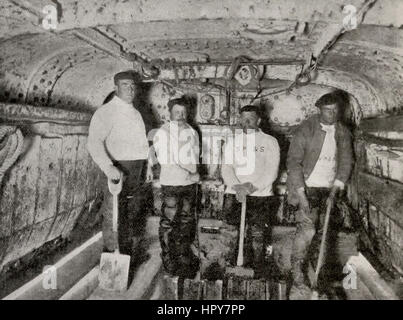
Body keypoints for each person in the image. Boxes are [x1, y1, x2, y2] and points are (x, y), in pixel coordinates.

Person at [286, 92, 353, 299]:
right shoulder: (306, 129)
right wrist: (302, 196)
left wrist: (335, 190)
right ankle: (297, 278)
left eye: (335, 110)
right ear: (319, 110)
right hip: (307, 188)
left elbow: (345, 162)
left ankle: (318, 280)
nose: (332, 114)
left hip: (328, 189)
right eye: (327, 110)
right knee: (307, 232)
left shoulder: (342, 131)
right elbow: (293, 163)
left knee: (324, 235)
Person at [87, 71, 149, 256]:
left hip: (136, 169)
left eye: (132, 85)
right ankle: (111, 253)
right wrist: (108, 167)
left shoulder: (136, 113)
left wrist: (147, 166)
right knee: (113, 213)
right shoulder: (106, 112)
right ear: (115, 87)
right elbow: (93, 142)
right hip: (118, 169)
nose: (130, 89)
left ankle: (127, 254)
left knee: (131, 213)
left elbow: (141, 144)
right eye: (125, 85)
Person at [221, 105, 280, 276]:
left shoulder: (269, 141)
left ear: (259, 120)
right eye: (243, 118)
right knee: (231, 234)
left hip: (260, 195)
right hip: (235, 194)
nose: (246, 122)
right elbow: (227, 168)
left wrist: (252, 187)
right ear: (239, 119)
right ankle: (229, 270)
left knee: (258, 235)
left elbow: (272, 171)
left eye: (251, 119)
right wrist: (236, 186)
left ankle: (257, 272)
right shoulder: (233, 141)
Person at [152, 97, 200, 276]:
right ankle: (169, 261)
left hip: (189, 185)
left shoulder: (191, 131)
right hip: (172, 184)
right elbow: (167, 161)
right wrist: (191, 174)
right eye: (177, 112)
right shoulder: (163, 133)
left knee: (186, 221)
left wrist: (194, 175)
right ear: (169, 113)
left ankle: (183, 258)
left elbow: (195, 156)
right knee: (169, 223)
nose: (180, 116)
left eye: (184, 112)